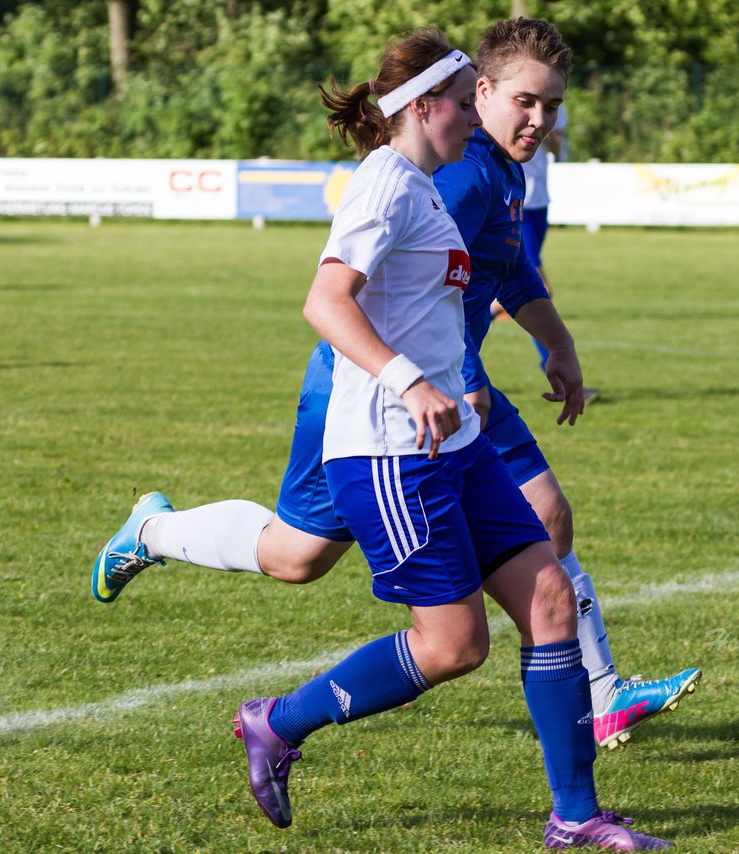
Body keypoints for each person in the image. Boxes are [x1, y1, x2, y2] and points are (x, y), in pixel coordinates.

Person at [93, 17, 699, 754]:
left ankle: (600, 698)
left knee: (541, 521)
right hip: (387, 389)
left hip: (447, 381)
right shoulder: (461, 168)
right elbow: (371, 290)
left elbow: (502, 267)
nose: (539, 119)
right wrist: (444, 381)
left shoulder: (501, 168)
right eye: (524, 102)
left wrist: (557, 342)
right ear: (477, 92)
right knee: (298, 557)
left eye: (552, 106)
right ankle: (152, 532)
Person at [516, 103, 600, 404]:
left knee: (512, 288)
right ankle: (558, 372)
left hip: (540, 201)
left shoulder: (555, 105)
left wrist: (546, 131)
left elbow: (556, 146)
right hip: (517, 202)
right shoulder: (510, 97)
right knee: (535, 288)